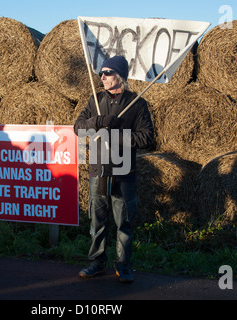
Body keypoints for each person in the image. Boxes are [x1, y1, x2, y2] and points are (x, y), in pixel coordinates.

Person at [74, 56, 154, 283]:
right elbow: (78, 128)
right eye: (101, 72)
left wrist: (117, 135)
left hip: (124, 172)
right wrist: (98, 121)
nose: (102, 76)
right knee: (97, 221)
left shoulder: (137, 103)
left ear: (119, 76)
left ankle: (124, 265)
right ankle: (96, 262)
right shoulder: (95, 100)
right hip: (98, 169)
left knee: (124, 222)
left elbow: (148, 137)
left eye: (107, 72)